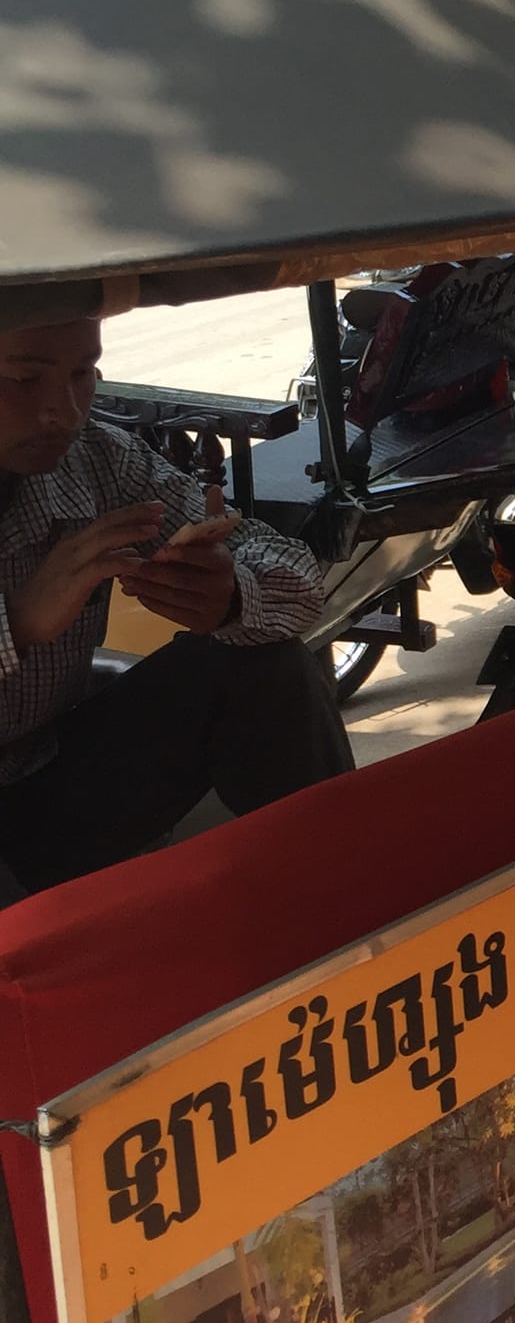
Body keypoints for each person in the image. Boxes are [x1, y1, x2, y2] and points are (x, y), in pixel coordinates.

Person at [0, 317, 349, 900]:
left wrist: (232, 594)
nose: (62, 410)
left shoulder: (98, 462)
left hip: (48, 782)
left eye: (82, 374)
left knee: (262, 666)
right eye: (21, 379)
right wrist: (18, 622)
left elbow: (293, 572)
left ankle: (358, 908)